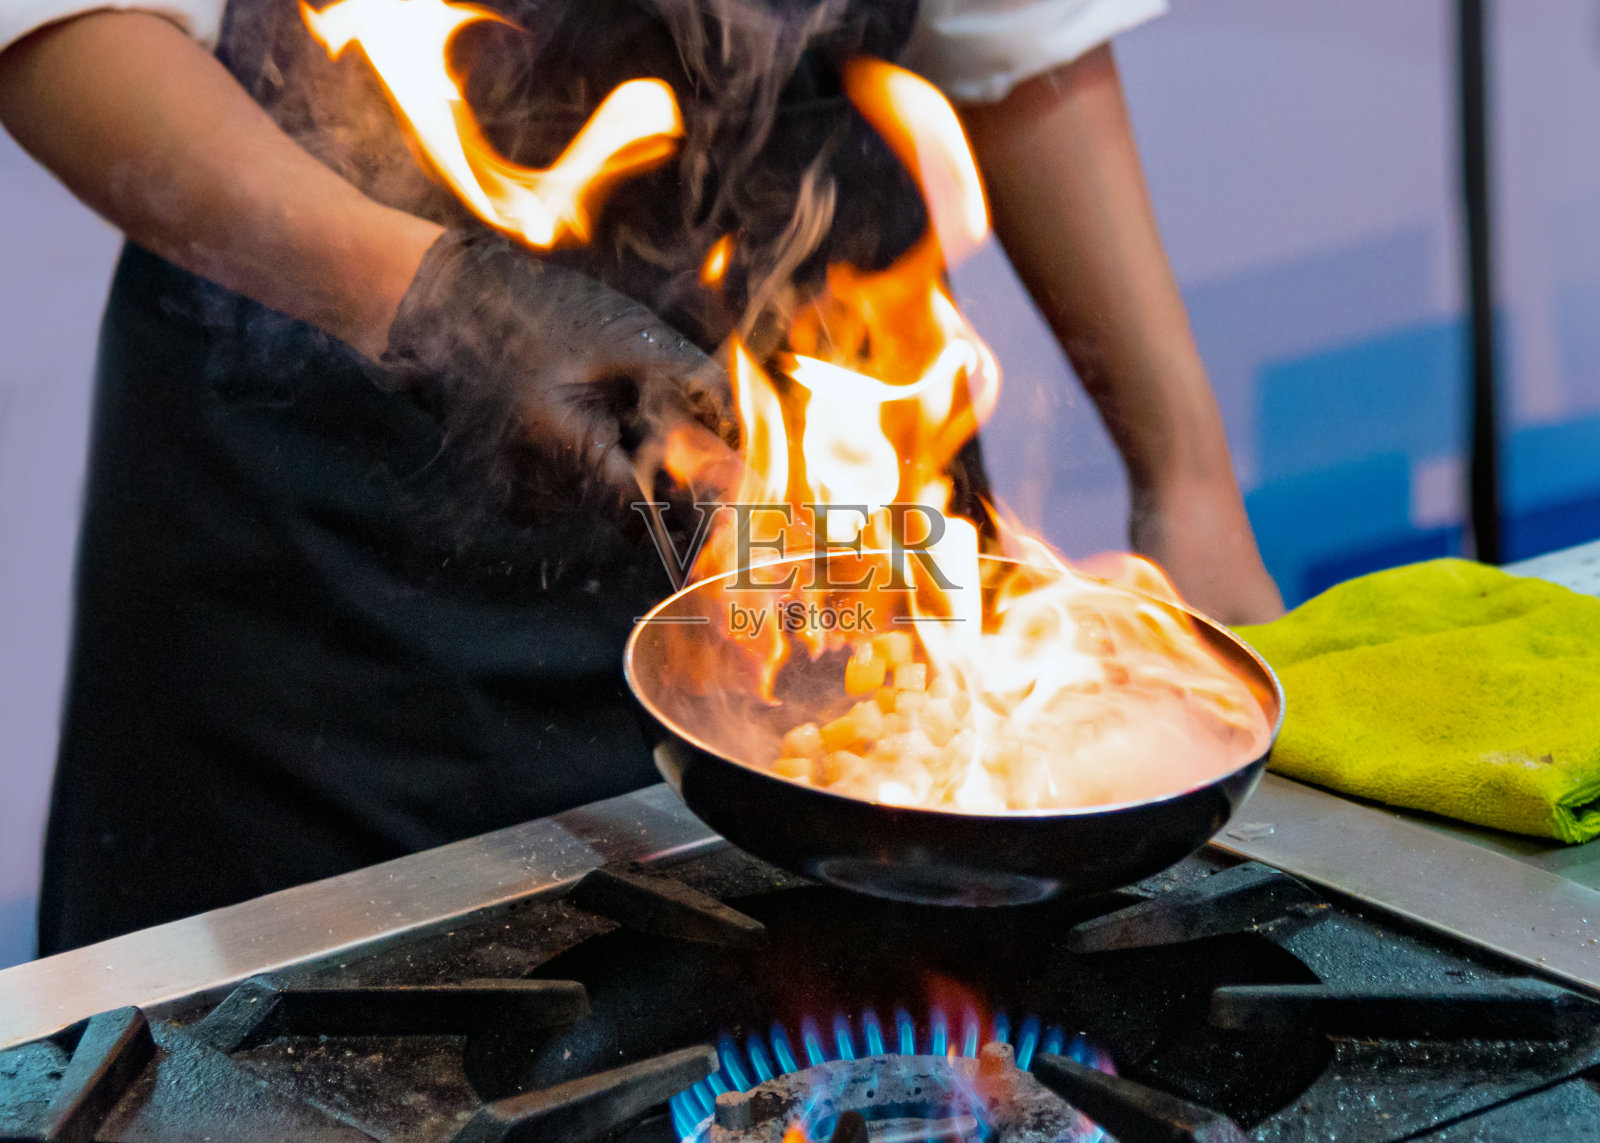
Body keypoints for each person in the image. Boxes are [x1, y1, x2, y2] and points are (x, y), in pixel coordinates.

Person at [0, 0, 1283, 955]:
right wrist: (438, 303)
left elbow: (1020, 28)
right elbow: (61, 30)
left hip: (830, 454)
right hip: (337, 527)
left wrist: (1187, 480)